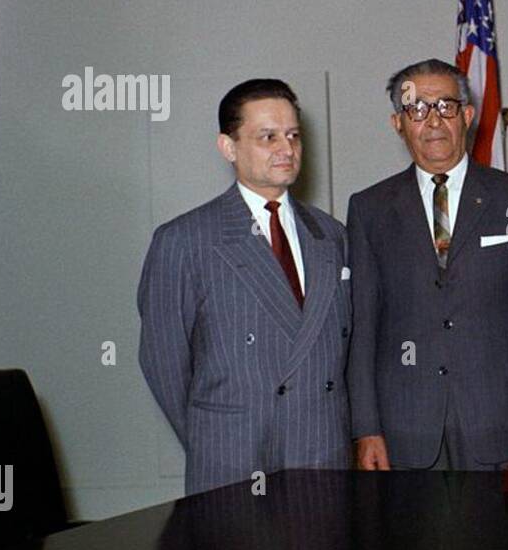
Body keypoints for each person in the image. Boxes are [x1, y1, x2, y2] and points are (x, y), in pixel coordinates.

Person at [137, 79, 352, 495]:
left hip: (322, 458)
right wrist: (217, 434)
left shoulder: (331, 235)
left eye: (293, 135)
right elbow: (164, 364)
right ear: (228, 147)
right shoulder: (185, 240)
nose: (286, 149)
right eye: (267, 137)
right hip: (235, 462)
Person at [347, 59, 508, 470]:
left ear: (468, 116)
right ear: (398, 123)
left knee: (505, 536)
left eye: (446, 106)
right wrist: (366, 428)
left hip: (501, 424)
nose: (433, 121)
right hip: (406, 429)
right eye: (417, 109)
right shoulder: (369, 209)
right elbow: (363, 326)